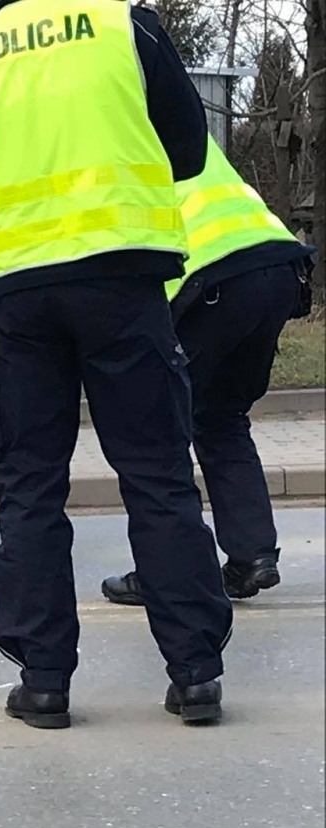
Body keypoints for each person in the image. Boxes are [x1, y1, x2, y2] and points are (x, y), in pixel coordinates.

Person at [0, 0, 233, 729]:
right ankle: (194, 675)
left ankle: (44, 681)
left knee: (30, 487)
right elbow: (189, 151)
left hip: (19, 294)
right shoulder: (128, 26)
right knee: (156, 474)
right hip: (123, 280)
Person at [102, 135, 317, 607]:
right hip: (276, 267)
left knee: (160, 432)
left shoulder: (110, 144)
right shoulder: (176, 119)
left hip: (214, 279)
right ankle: (252, 556)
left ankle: (166, 572)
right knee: (222, 419)